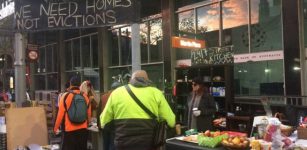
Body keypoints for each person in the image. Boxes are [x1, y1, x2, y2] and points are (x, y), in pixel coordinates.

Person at [100, 70, 175, 150]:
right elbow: (171, 121)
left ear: (131, 80)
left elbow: (104, 122)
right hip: (148, 144)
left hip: (122, 144)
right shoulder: (156, 93)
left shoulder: (117, 93)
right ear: (148, 80)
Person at [53, 76, 91, 150]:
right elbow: (88, 114)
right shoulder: (85, 96)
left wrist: (55, 128)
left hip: (70, 131)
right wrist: (88, 124)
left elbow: (60, 115)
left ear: (70, 84)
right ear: (80, 85)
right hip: (83, 130)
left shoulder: (65, 96)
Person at [97, 81, 122, 150]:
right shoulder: (120, 97)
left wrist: (99, 125)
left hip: (105, 124)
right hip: (115, 125)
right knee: (113, 144)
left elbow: (98, 112)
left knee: (105, 144)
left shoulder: (103, 96)